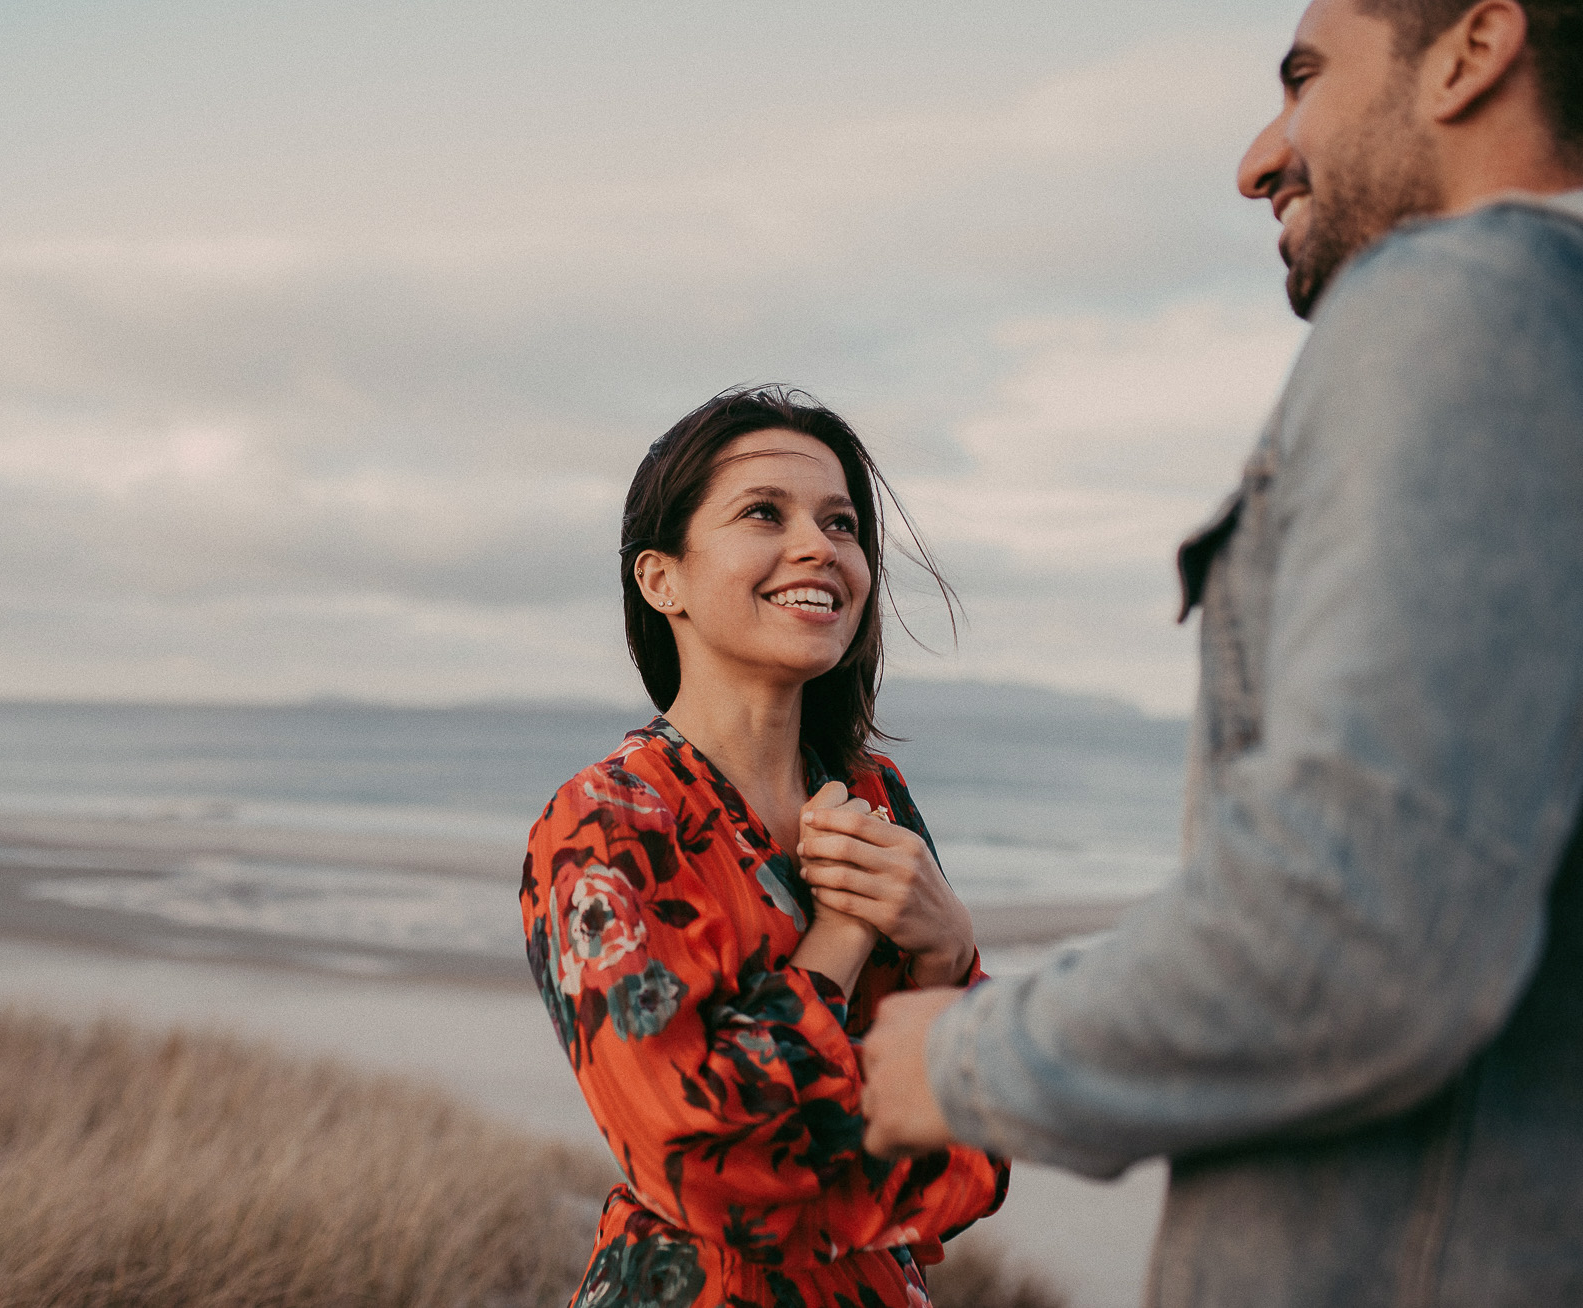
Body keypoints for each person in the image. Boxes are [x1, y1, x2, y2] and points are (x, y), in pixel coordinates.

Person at [858, 0, 1583, 1304]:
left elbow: (1358, 929)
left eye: (1305, 78)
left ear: (1471, 56)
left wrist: (957, 1059)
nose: (1259, 155)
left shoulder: (1466, 306)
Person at [521, 388, 1006, 1308]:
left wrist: (946, 951)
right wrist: (844, 935)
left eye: (842, 523)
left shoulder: (873, 796)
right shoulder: (608, 824)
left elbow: (968, 1165)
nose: (822, 546)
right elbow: (699, 1164)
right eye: (763, 513)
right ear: (661, 580)